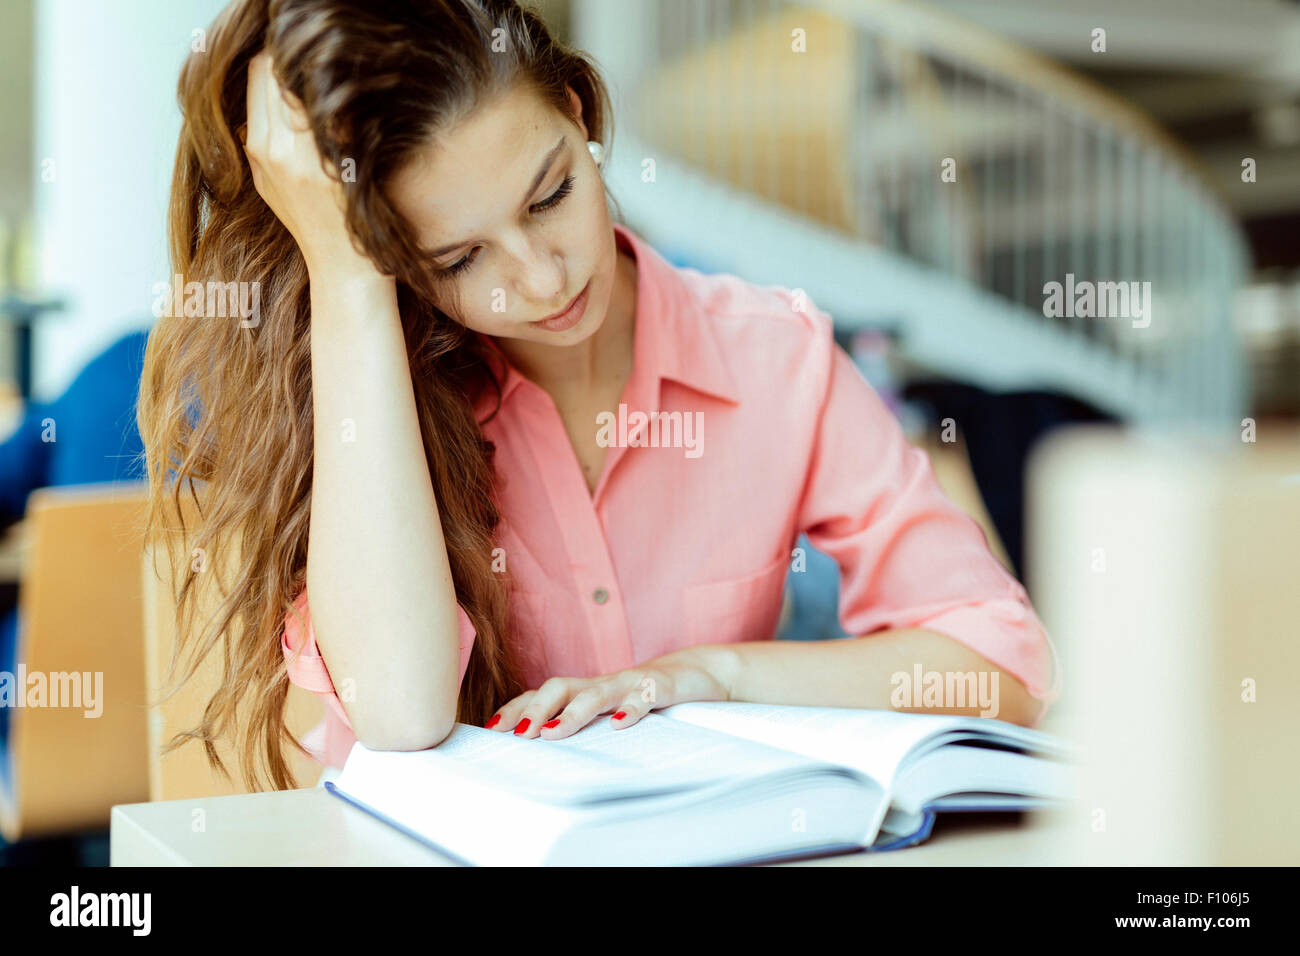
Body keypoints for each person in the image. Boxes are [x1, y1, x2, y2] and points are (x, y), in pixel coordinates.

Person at [137, 0, 1059, 792]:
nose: (540, 280)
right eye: (459, 259)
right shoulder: (378, 400)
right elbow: (401, 711)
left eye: (551, 195)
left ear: (580, 115)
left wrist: (713, 674)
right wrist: (345, 278)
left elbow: (998, 662)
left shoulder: (775, 356)